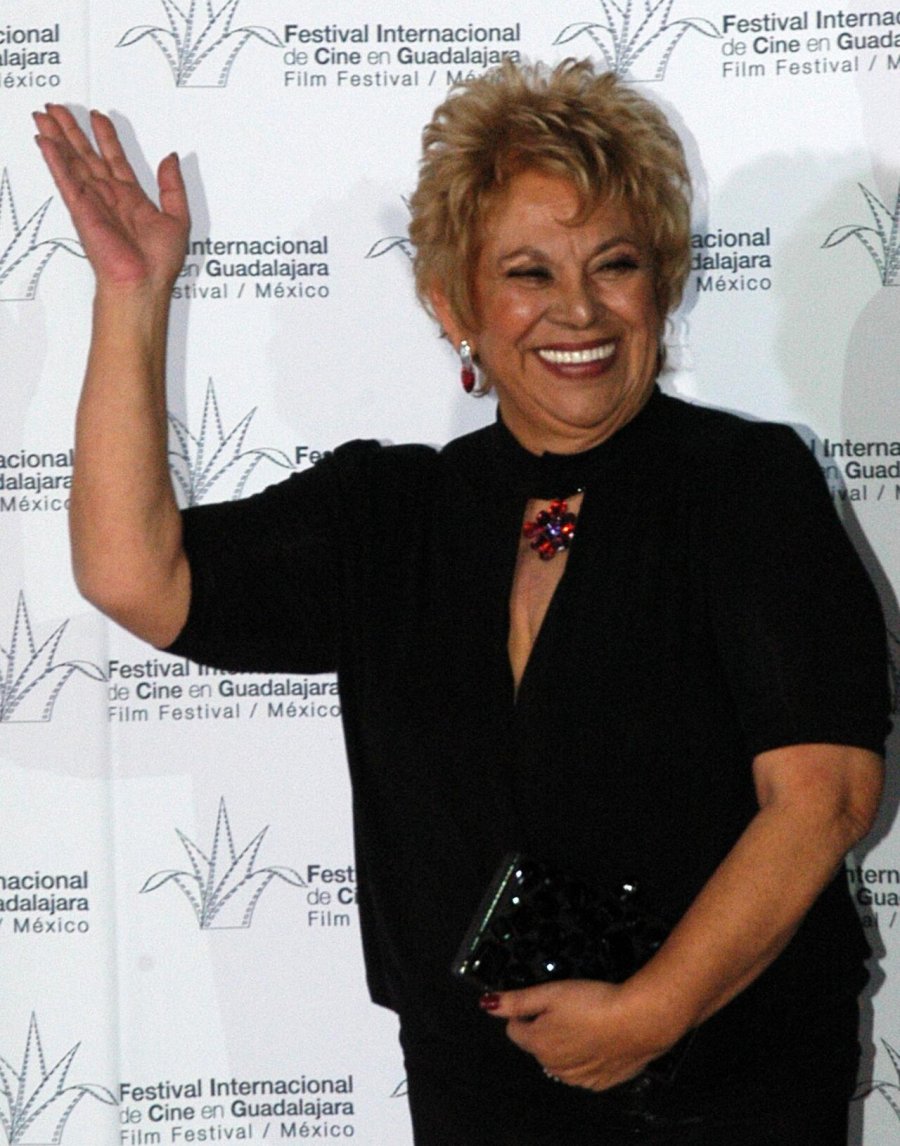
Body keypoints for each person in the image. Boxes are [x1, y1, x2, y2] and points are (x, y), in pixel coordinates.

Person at [34, 59, 889, 1146]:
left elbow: (824, 796)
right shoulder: (388, 515)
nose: (578, 309)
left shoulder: (745, 486)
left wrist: (652, 1012)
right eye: (529, 272)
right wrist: (131, 295)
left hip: (728, 1076)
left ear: (662, 284)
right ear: (454, 307)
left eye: (616, 264)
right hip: (477, 1093)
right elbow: (132, 575)